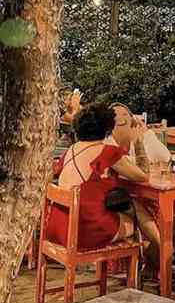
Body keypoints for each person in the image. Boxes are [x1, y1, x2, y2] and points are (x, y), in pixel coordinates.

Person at [49, 103, 161, 272]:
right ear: (107, 128)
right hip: (84, 231)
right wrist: (138, 142)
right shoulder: (107, 151)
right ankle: (161, 266)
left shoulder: (71, 150)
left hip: (59, 227)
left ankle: (153, 266)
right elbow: (143, 175)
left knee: (134, 207)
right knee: (139, 221)